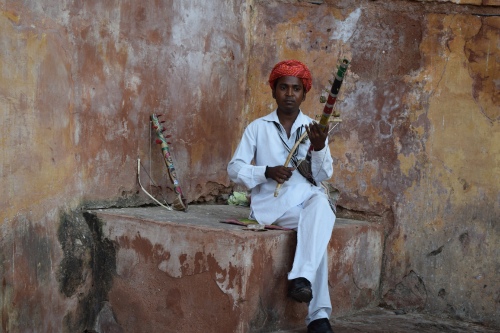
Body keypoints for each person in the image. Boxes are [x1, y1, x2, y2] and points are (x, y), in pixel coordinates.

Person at [227, 60, 336, 333]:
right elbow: (234, 169)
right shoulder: (258, 127)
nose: (290, 94)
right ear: (274, 91)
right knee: (318, 225)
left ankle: (302, 280)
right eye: (283, 88)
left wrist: (320, 146)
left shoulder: (314, 128)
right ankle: (318, 316)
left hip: (306, 200)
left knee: (319, 204)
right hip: (271, 204)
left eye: (296, 89)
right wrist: (266, 171)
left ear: (304, 94)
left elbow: (323, 175)